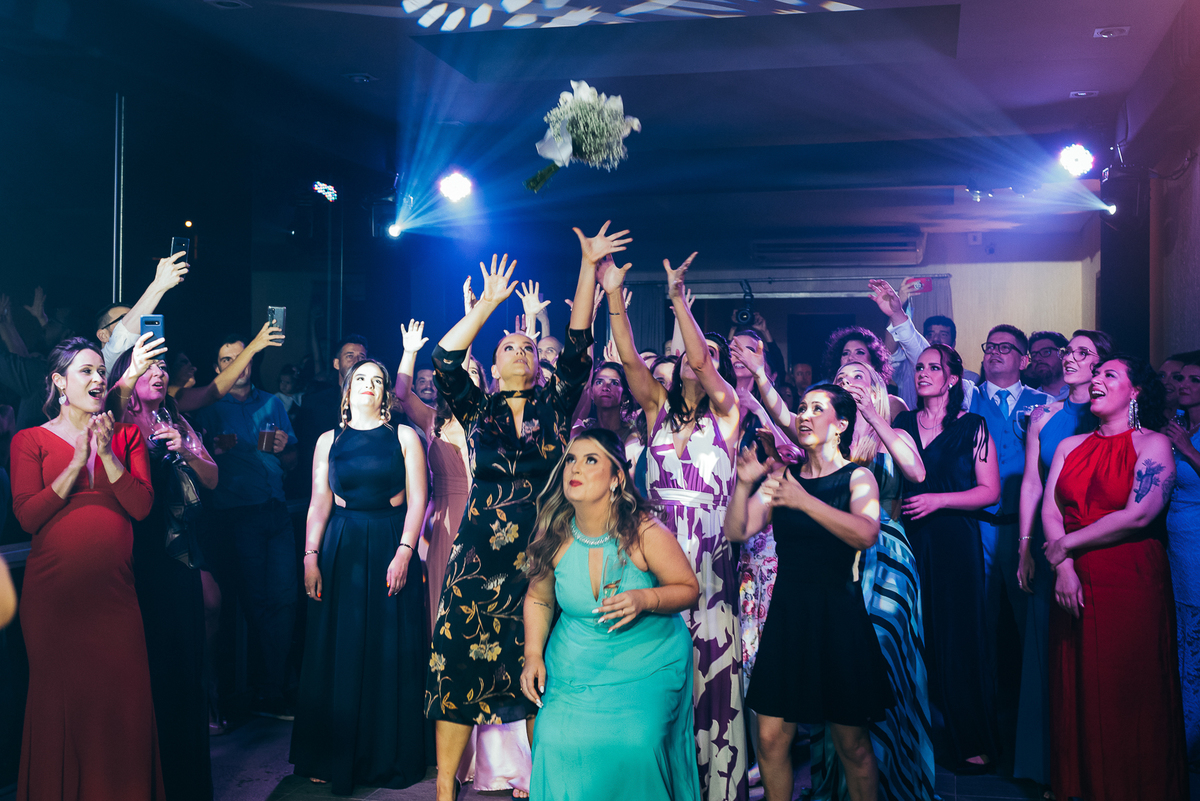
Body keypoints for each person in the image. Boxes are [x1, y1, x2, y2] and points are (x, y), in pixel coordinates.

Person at [425, 229, 608, 801]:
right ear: (494, 363)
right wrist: (485, 306)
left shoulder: (555, 404)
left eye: (528, 347)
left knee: (538, 674)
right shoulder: (477, 409)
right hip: (477, 559)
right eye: (510, 347)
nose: (522, 352)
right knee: (458, 669)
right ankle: (444, 789)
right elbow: (444, 359)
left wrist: (586, 266)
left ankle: (546, 786)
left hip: (541, 558)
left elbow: (577, 346)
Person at [605, 248, 748, 801]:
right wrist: (614, 296)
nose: (695, 357)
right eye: (688, 351)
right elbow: (628, 360)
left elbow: (704, 363)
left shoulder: (728, 413)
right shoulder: (656, 411)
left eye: (706, 352)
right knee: (660, 674)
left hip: (710, 558)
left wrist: (678, 299)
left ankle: (713, 787)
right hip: (659, 546)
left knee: (710, 674)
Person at [11, 337, 162, 798]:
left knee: (123, 704)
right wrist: (77, 461)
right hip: (55, 599)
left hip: (115, 597)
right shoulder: (29, 439)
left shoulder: (126, 436)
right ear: (59, 382)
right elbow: (27, 517)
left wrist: (107, 454)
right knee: (62, 705)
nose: (98, 379)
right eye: (86, 371)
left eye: (101, 371)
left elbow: (141, 508)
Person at [726, 384, 891, 801]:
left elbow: (866, 533)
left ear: (841, 425)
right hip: (789, 615)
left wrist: (803, 502)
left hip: (838, 616)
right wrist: (743, 484)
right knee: (770, 738)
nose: (804, 415)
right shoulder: (783, 478)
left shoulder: (857, 476)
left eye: (817, 408)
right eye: (801, 407)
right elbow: (738, 530)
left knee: (852, 745)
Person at [520, 428, 701, 801]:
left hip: (649, 659)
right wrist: (533, 654)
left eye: (591, 460)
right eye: (571, 459)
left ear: (617, 477)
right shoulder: (554, 532)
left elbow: (688, 588)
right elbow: (538, 597)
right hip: (575, 664)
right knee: (552, 737)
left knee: (636, 743)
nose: (576, 468)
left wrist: (645, 598)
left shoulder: (643, 531)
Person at [1041, 355, 1187, 801]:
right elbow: (1051, 510)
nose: (1097, 380)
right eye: (1097, 374)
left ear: (1135, 391)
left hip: (1129, 579)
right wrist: (1063, 566)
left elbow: (1139, 514)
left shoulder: (1154, 444)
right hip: (1072, 580)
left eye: (1110, 374)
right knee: (1080, 687)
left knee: (1126, 690)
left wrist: (1066, 545)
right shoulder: (1070, 446)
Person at [397, 319, 533, 798]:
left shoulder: (491, 422)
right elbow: (401, 394)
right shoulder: (434, 421)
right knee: (452, 645)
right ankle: (454, 767)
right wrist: (411, 352)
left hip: (492, 529)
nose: (467, 379)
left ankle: (506, 761)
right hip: (446, 531)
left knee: (508, 641)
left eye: (476, 374)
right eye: (464, 374)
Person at [291, 358, 430, 793]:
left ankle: (385, 756)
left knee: (387, 649)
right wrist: (310, 557)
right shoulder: (328, 440)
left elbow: (419, 500)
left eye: (378, 380)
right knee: (339, 649)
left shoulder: (404, 436)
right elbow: (319, 502)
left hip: (390, 539)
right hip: (343, 545)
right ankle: (332, 755)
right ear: (347, 390)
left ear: (386, 392)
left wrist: (405, 551)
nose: (369, 385)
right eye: (361, 379)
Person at [808, 363, 934, 801]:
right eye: (841, 378)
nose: (848, 382)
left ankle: (894, 776)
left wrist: (873, 417)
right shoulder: (829, 444)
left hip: (888, 557)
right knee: (840, 663)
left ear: (877, 387)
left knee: (883, 655)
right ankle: (840, 784)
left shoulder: (893, 433)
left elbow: (916, 473)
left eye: (858, 376)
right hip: (838, 556)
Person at [108, 335, 219, 801]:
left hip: (180, 557)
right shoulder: (117, 417)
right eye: (148, 367)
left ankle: (186, 783)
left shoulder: (176, 419)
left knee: (183, 669)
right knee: (147, 671)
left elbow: (212, 478)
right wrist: (129, 370)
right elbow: (109, 407)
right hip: (138, 557)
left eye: (163, 367)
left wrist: (185, 449)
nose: (159, 372)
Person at [893, 345, 1000, 771]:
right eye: (919, 367)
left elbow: (990, 491)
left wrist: (938, 500)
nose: (923, 373)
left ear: (953, 379)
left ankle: (969, 738)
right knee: (912, 635)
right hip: (910, 537)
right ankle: (910, 738)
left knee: (958, 637)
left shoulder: (972, 425)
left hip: (955, 541)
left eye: (933, 368)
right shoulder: (902, 423)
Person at [1012, 329, 1112, 786]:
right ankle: (1050, 768)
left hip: (1100, 539)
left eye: (1082, 353)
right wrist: (1024, 545)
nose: (1070, 358)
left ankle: (1096, 766)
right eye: (1068, 351)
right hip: (1048, 539)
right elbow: (1031, 482)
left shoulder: (1111, 414)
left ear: (1101, 365)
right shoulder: (1044, 415)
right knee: (1047, 652)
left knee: (1096, 655)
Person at [193, 333, 298, 718]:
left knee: (286, 600)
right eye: (227, 360)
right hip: (237, 515)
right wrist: (213, 450)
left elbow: (292, 461)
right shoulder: (208, 407)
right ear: (217, 367)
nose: (237, 365)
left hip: (277, 510)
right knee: (257, 603)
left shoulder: (272, 403)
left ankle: (277, 686)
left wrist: (285, 449)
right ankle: (266, 691)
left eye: (243, 358)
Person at [967, 324, 1050, 738]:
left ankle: (1034, 727)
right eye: (990, 346)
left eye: (1006, 347)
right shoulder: (965, 396)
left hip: (1025, 528)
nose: (995, 352)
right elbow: (923, 356)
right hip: (976, 526)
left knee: (1028, 624)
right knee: (978, 625)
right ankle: (981, 725)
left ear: (1024, 359)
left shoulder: (1045, 403)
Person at [1163, 350, 1200, 772]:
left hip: (1196, 544)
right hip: (1172, 542)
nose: (1183, 385)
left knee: (1194, 637)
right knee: (1179, 636)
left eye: (1193, 380)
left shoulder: (1187, 435)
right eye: (1180, 379)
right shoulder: (1177, 423)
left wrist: (1187, 449)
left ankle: (1190, 744)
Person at [96, 249, 189, 372]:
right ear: (103, 335)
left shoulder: (150, 368)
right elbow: (123, 337)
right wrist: (159, 284)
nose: (136, 325)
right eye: (123, 319)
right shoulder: (103, 365)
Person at [820, 326, 906, 420]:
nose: (850, 358)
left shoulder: (892, 404)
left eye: (859, 352)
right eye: (845, 353)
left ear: (874, 362)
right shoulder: (831, 404)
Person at [923, 315, 979, 384]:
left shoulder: (970, 378)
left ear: (953, 343)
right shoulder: (916, 374)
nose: (936, 339)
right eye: (930, 334)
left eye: (943, 335)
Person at [1025, 331, 1069, 401]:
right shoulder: (1028, 400)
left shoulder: (1083, 395)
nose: (1037, 358)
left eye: (1046, 352)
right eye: (1034, 355)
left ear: (1062, 354)